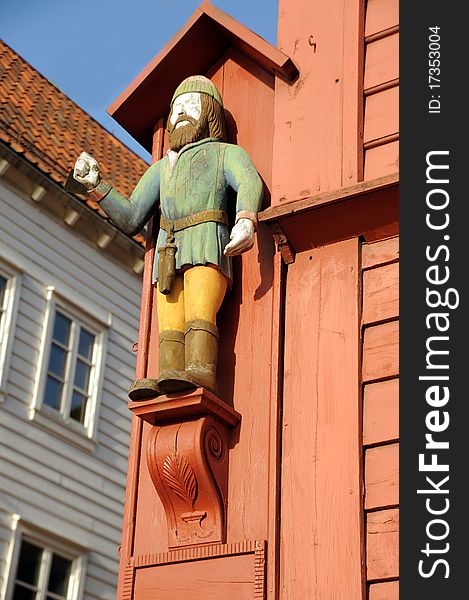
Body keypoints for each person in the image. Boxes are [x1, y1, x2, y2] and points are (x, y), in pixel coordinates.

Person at [73, 75, 263, 400]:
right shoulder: (162, 168)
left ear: (210, 114)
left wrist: (245, 219)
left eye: (191, 106)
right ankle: (168, 374)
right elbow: (133, 216)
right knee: (170, 316)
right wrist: (97, 186)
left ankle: (201, 369)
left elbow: (249, 181)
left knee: (200, 309)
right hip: (168, 250)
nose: (181, 114)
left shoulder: (224, 153)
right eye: (177, 108)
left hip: (207, 238)